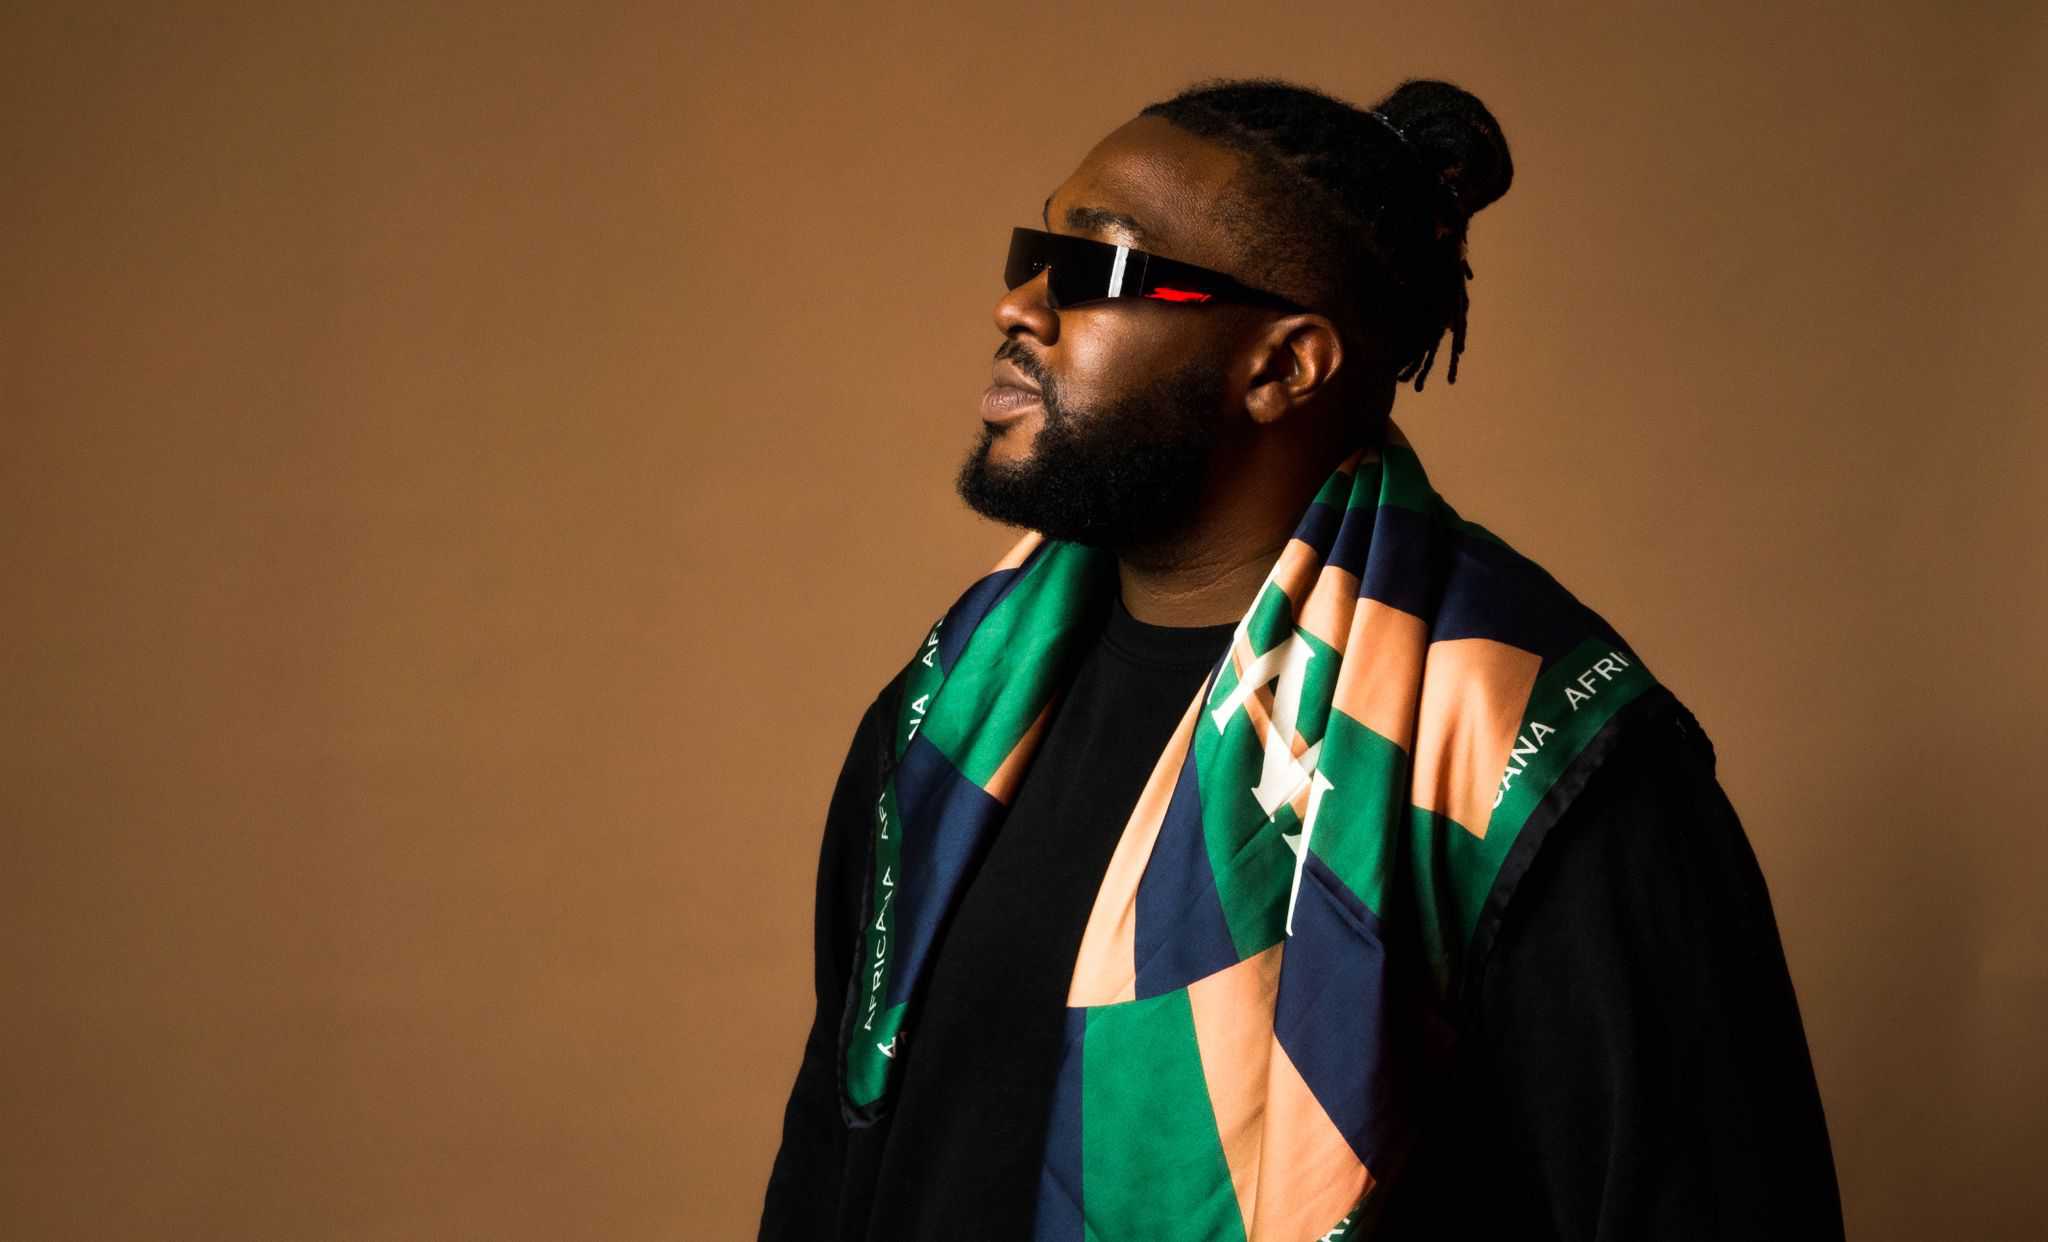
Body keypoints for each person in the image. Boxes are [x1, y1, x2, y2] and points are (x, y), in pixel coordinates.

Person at [757, 76, 1843, 1241]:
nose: (1016, 306)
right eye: (1034, 256)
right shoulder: (949, 707)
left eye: (1094, 268)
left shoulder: (1529, 755)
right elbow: (831, 1157)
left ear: (1281, 367)